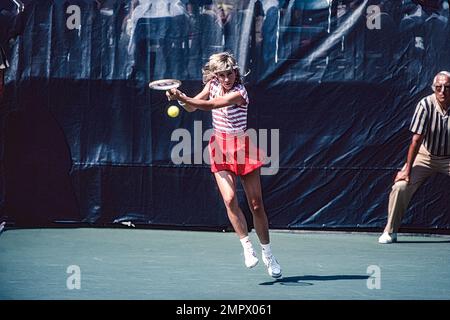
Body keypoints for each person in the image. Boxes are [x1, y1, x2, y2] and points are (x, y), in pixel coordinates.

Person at [166, 52, 282, 278]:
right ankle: (247, 246)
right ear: (215, 75)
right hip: (219, 147)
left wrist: (184, 97)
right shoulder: (212, 85)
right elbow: (192, 107)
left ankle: (268, 253)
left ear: (235, 72)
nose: (227, 78)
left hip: (242, 148)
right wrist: (181, 99)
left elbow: (210, 106)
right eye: (222, 75)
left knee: (256, 205)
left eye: (230, 73)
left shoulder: (240, 93)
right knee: (229, 200)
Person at [378, 71, 450, 244]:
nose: (442, 92)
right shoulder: (425, 105)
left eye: (447, 88)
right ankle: (390, 231)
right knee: (401, 186)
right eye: (438, 87)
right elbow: (416, 140)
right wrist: (407, 169)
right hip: (425, 156)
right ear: (433, 88)